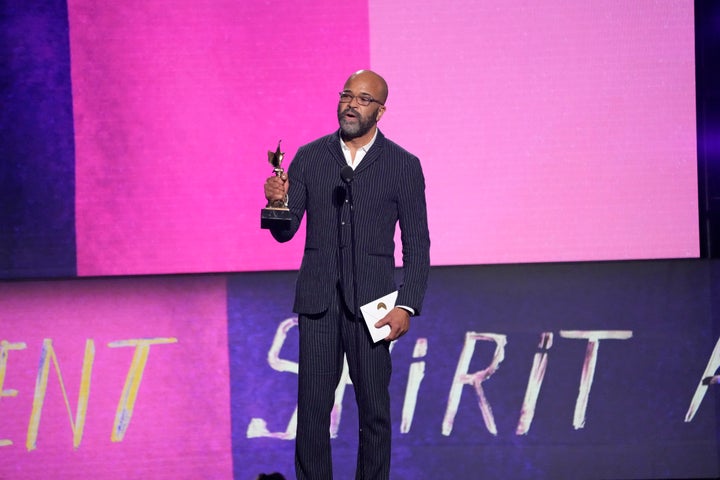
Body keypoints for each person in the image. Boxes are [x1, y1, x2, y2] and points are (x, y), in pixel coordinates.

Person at [263, 69, 430, 479]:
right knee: (314, 413)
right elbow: (285, 233)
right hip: (319, 304)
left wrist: (407, 304)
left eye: (363, 99)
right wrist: (277, 204)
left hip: (374, 307)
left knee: (374, 413)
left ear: (381, 111)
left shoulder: (403, 165)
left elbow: (418, 243)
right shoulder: (311, 156)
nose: (351, 104)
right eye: (346, 95)